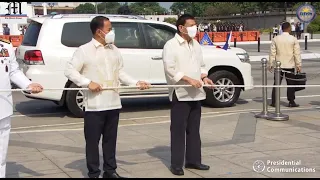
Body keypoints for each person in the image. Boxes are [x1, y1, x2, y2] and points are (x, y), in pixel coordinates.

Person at [64, 16, 150, 178]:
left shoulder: (114, 50)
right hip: (95, 105)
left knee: (110, 141)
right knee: (92, 142)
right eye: (109, 29)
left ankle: (110, 171)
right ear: (99, 32)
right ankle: (94, 173)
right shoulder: (84, 50)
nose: (112, 32)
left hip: (113, 103)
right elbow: (69, 71)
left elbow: (121, 72)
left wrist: (135, 83)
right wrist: (87, 82)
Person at [162, 14, 214, 176]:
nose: (194, 28)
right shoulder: (171, 45)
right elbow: (170, 69)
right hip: (181, 93)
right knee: (178, 130)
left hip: (196, 94)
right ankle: (176, 164)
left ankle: (193, 160)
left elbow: (201, 65)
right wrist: (188, 79)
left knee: (194, 129)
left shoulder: (196, 44)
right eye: (191, 25)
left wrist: (205, 77)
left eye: (195, 25)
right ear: (181, 28)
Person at [0, 38, 43, 178]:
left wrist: (27, 85)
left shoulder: (5, 46)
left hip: (3, 109)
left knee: (1, 156)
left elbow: (13, 71)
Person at [268, 22, 301, 108]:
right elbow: (296, 53)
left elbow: (272, 53)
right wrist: (298, 64)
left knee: (277, 83)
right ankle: (291, 101)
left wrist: (270, 64)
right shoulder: (293, 39)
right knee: (291, 84)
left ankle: (274, 101)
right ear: (289, 28)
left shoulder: (276, 39)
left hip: (279, 65)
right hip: (290, 65)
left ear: (282, 29)